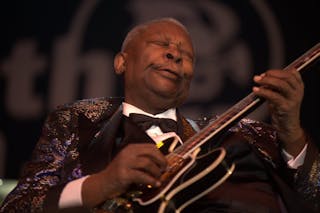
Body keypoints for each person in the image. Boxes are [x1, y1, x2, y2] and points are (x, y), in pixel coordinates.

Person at [1, 17, 319, 213]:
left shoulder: (242, 132)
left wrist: (291, 130)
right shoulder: (76, 120)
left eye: (187, 55)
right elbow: (18, 206)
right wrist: (103, 184)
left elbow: (311, 196)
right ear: (121, 62)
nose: (175, 54)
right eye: (161, 44)